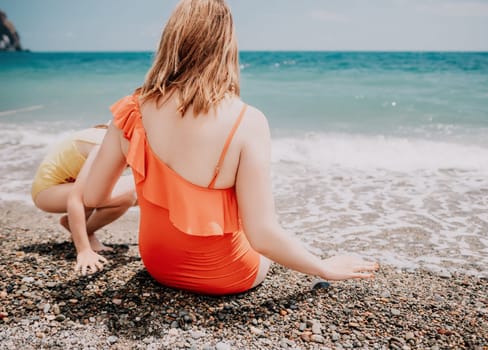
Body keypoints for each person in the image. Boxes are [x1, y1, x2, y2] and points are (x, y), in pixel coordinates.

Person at [83, 0, 378, 295]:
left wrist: (147, 183)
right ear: (226, 46)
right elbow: (262, 235)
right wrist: (322, 266)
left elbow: (93, 195)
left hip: (158, 265)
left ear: (170, 40)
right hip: (228, 275)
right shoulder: (247, 121)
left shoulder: (131, 110)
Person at [31, 124, 136, 275]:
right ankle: (83, 238)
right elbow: (77, 198)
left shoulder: (118, 141)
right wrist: (84, 251)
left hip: (66, 188)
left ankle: (80, 228)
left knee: (127, 197)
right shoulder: (102, 146)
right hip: (47, 193)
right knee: (130, 189)